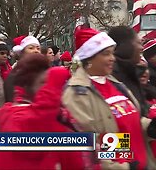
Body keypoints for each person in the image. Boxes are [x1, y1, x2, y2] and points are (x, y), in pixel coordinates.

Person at [63, 27, 152, 169]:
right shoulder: (77, 93)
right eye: (106, 54)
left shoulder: (115, 84)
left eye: (112, 53)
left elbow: (127, 125)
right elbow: (90, 143)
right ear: (90, 58)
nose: (112, 58)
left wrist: (149, 126)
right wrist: (124, 164)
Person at [0, 54, 89, 170]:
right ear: (27, 86)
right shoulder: (16, 117)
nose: (48, 87)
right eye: (43, 83)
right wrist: (53, 85)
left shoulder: (57, 113)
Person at [108, 26, 149, 117]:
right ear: (126, 46)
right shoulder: (112, 76)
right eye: (138, 43)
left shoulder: (132, 71)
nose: (141, 48)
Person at [4, 35, 41, 102]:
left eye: (38, 48)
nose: (36, 51)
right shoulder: (16, 74)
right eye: (31, 48)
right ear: (22, 53)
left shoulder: (44, 72)